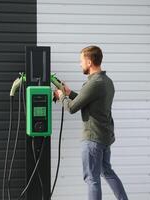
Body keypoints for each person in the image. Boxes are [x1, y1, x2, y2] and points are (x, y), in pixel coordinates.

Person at [53, 45, 128, 200]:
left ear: (89, 61)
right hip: (104, 138)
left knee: (92, 179)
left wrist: (61, 95)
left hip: (93, 139)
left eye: (81, 61)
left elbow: (72, 108)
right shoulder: (107, 81)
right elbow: (88, 100)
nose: (80, 64)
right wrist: (69, 93)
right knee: (107, 172)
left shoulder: (94, 83)